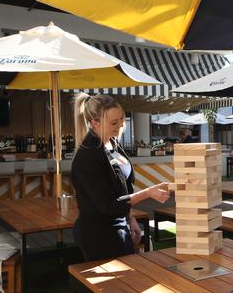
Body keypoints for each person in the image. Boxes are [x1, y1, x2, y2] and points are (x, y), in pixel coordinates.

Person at [71, 94, 170, 261]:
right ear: (95, 123)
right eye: (114, 123)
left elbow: (122, 188)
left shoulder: (112, 143)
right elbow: (108, 204)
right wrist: (148, 193)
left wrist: (130, 219)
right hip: (99, 233)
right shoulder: (88, 155)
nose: (120, 126)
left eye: (121, 120)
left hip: (119, 225)